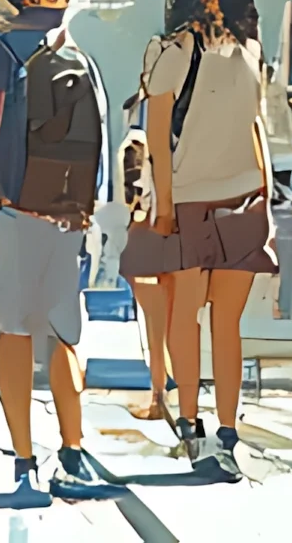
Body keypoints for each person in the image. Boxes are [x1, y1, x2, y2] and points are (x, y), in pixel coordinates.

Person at [0, 0, 118, 501]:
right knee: (63, 337)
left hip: (14, 215)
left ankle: (25, 465)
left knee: (12, 335)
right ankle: (74, 455)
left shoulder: (0, 55)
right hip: (69, 223)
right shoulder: (82, 59)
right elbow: (101, 147)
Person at [135, 0, 281, 476]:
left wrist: (262, 190)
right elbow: (163, 132)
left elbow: (250, 123)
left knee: (206, 319)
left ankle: (209, 428)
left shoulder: (210, 50)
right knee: (207, 318)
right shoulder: (211, 50)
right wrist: (166, 204)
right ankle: (208, 427)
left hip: (218, 199)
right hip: (216, 199)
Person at [117, 130, 178, 424]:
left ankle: (159, 395)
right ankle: (169, 395)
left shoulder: (132, 195)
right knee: (168, 327)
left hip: (141, 250)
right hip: (167, 246)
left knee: (153, 330)